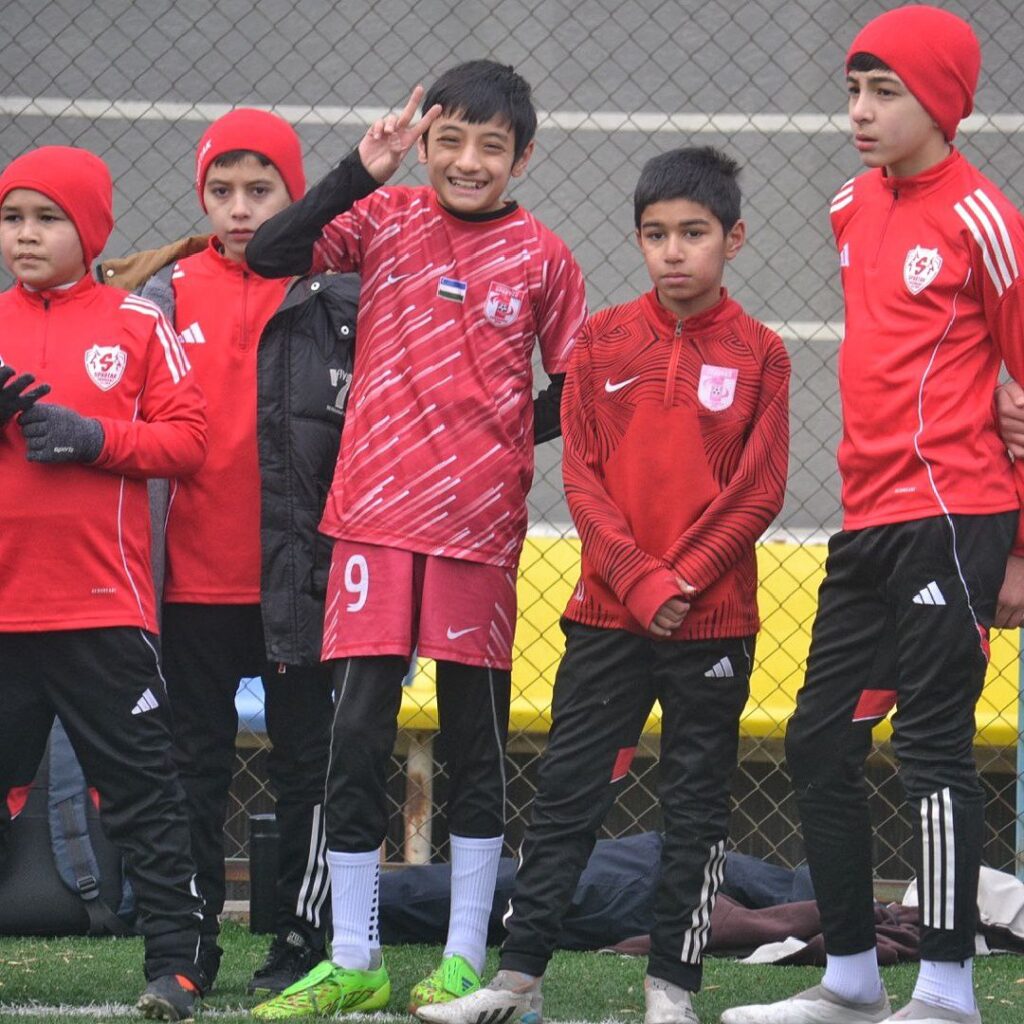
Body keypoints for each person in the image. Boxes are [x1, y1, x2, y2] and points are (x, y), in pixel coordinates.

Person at [243, 60, 588, 1019]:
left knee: (477, 741)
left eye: (491, 146)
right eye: (450, 141)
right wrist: (360, 168)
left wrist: (501, 436)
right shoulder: (384, 216)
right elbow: (269, 253)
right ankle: (354, 958)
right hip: (370, 523)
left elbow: (578, 387)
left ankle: (465, 957)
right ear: (425, 142)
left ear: (523, 156)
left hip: (477, 532)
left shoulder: (546, 258)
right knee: (355, 738)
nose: (468, 161)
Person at [414, 146, 790, 1024]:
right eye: (656, 234)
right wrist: (640, 580)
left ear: (733, 239)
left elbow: (760, 490)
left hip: (713, 623)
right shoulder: (602, 340)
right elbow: (582, 477)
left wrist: (683, 578)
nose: (674, 251)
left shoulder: (763, 353)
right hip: (608, 616)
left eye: (694, 233)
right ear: (638, 240)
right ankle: (519, 983)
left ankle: (672, 989)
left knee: (695, 810)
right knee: (566, 797)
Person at [722, 7, 1024, 1024]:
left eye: (884, 92)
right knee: (818, 741)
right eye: (852, 90)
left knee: (932, 746)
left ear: (940, 102)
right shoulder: (851, 204)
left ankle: (945, 989)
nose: (858, 110)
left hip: (955, 514)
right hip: (866, 521)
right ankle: (851, 978)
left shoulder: (986, 219)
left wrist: (1021, 549)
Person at [136, 108, 352, 996]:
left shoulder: (334, 296)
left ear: (295, 196)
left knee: (308, 763)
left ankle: (301, 939)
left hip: (298, 583)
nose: (239, 208)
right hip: (190, 584)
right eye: (221, 190)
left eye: (260, 190)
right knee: (193, 765)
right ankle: (189, 946)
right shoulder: (164, 295)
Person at [0, 145, 208, 1022]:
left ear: (90, 231)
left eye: (47, 218)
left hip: (100, 610)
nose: (25, 235)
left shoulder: (135, 321)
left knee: (142, 795)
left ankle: (178, 967)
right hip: (5, 614)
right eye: (12, 217)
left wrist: (93, 438)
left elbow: (189, 441)